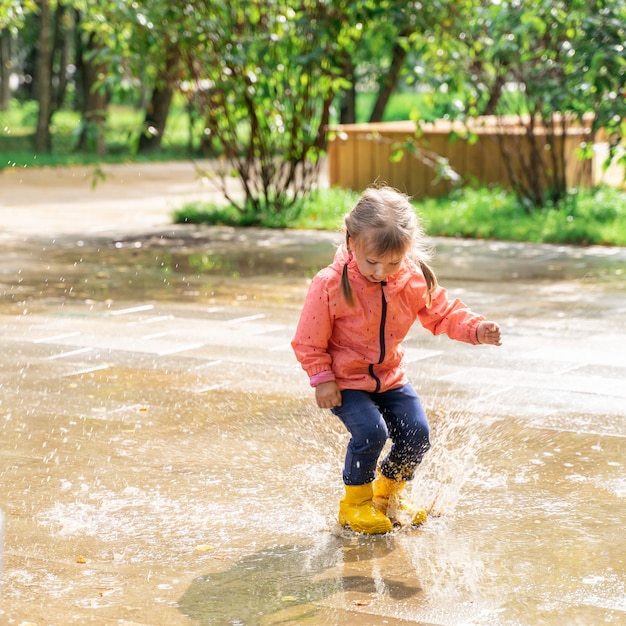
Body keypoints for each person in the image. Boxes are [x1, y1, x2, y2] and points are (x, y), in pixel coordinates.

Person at [291, 185, 502, 535]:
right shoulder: (329, 284)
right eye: (372, 262)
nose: (381, 272)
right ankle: (355, 504)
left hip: (389, 376)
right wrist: (322, 377)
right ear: (352, 241)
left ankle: (388, 495)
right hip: (346, 380)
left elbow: (443, 312)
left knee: (417, 434)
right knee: (372, 432)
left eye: (392, 262)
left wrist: (475, 329)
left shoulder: (410, 277)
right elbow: (308, 339)